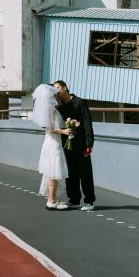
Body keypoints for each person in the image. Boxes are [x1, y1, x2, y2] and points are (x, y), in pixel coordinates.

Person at [53, 80, 96, 211]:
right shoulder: (59, 106)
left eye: (58, 87)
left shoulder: (80, 102)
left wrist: (90, 143)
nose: (56, 90)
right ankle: (74, 199)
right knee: (71, 172)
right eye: (54, 89)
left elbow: (87, 122)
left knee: (85, 172)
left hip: (82, 142)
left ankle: (89, 201)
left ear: (65, 87)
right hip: (67, 143)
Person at [32, 84, 73, 210]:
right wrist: (65, 131)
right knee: (54, 173)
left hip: (49, 143)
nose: (56, 96)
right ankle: (52, 200)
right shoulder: (52, 110)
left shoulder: (48, 109)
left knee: (51, 173)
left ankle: (51, 199)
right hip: (53, 143)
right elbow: (51, 129)